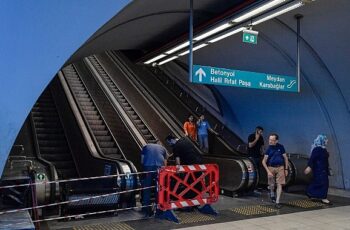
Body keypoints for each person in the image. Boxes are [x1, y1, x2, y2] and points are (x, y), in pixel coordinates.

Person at [140, 142, 168, 217]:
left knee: (147, 188)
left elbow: (142, 161)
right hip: (159, 167)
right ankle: (159, 209)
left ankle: (146, 210)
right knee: (159, 188)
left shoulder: (145, 146)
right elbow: (165, 164)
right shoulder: (163, 148)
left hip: (148, 167)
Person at [262, 133, 289, 209]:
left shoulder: (281, 147)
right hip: (271, 168)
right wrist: (268, 171)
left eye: (272, 140)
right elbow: (263, 161)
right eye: (269, 139)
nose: (270, 141)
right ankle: (271, 193)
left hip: (280, 167)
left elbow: (285, 158)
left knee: (279, 184)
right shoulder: (268, 149)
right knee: (271, 185)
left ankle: (277, 202)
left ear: (276, 141)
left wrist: (286, 169)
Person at [304, 134, 331, 204]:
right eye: (325, 139)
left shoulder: (324, 149)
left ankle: (311, 193)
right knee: (324, 183)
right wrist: (309, 167)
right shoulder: (317, 149)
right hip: (319, 169)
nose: (327, 141)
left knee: (318, 182)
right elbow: (312, 159)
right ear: (322, 140)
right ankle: (323, 198)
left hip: (323, 169)